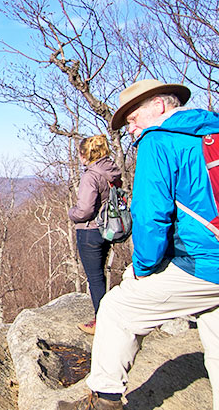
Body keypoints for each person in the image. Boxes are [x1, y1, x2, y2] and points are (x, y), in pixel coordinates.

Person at [59, 79, 219, 410]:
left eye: (132, 119)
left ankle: (103, 400)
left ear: (159, 106)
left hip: (204, 266)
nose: (130, 129)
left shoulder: (159, 141)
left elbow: (150, 217)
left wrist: (143, 269)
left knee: (116, 311)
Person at [68, 135, 122, 335]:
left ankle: (102, 320)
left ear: (85, 155)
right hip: (107, 228)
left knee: (95, 277)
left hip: (90, 230)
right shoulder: (111, 171)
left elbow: (85, 210)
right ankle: (106, 315)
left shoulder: (91, 175)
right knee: (101, 275)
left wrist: (71, 213)